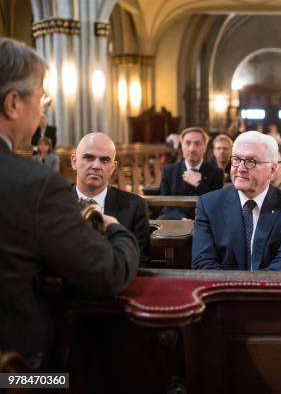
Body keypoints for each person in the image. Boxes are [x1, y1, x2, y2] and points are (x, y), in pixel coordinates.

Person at [0, 37, 138, 368]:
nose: (43, 112)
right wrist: (118, 232)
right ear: (13, 103)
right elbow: (108, 273)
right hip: (19, 374)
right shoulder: (33, 184)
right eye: (41, 98)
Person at [192, 131, 281, 270]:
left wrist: (252, 288)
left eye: (250, 161)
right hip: (222, 290)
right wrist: (235, 290)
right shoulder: (209, 205)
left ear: (272, 170)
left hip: (270, 290)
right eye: (236, 159)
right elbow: (203, 262)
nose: (240, 169)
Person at [71, 132, 151, 265]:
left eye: (104, 160)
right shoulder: (55, 202)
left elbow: (140, 262)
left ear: (113, 167)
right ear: (74, 161)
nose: (96, 166)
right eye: (89, 157)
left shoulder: (135, 206)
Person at [159, 127, 224, 219]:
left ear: (205, 147)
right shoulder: (168, 171)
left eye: (197, 144)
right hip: (176, 221)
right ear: (181, 146)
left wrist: (199, 184)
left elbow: (216, 204)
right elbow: (164, 204)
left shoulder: (216, 172)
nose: (192, 148)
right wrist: (182, 218)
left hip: (205, 221)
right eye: (187, 143)